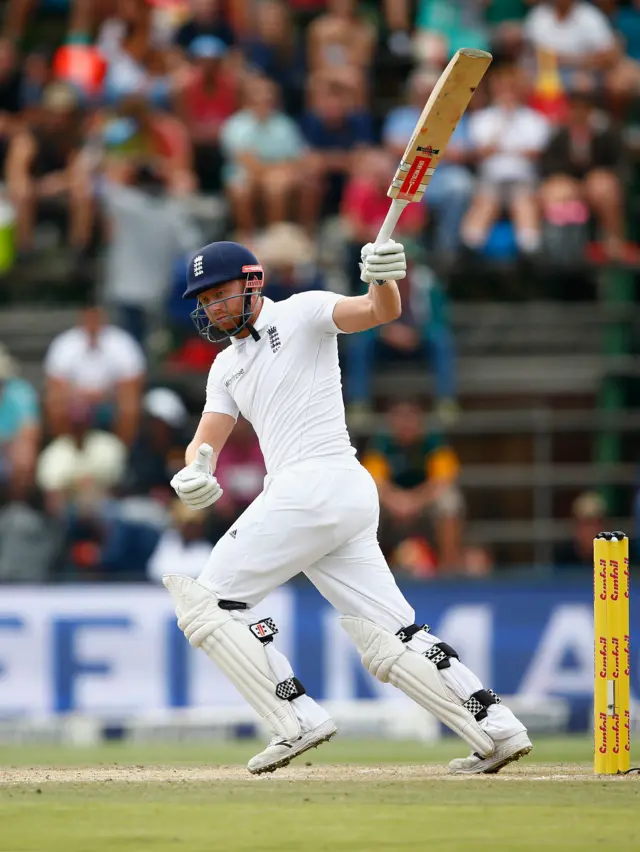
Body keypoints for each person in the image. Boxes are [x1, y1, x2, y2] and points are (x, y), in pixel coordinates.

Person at [163, 238, 532, 776]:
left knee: (208, 604)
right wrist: (195, 471)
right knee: (390, 632)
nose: (214, 307)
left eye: (221, 293)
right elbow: (207, 441)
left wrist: (382, 278)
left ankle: (295, 719)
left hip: (314, 483)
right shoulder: (225, 367)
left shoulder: (303, 312)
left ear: (252, 281)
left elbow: (379, 312)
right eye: (205, 299)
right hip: (333, 495)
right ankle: (495, 728)